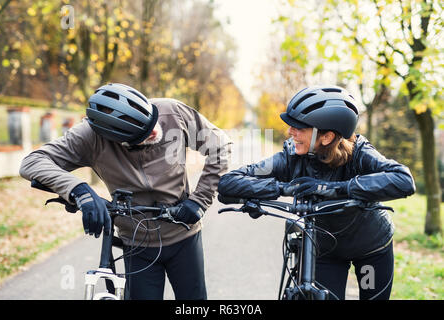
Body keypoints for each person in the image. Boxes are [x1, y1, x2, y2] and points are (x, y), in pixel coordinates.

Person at [20, 83, 232, 300]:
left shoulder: (172, 112)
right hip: (137, 244)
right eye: (145, 136)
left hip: (184, 235)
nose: (155, 132)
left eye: (153, 123)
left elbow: (220, 146)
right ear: (117, 140)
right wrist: (79, 190)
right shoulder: (91, 136)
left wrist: (199, 201)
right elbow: (32, 162)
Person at [217, 85, 415, 300]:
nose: (290, 132)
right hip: (326, 250)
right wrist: (283, 188)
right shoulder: (291, 158)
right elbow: (229, 183)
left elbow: (403, 180)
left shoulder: (359, 153)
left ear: (327, 137)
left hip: (369, 248)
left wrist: (338, 189)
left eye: (299, 128)